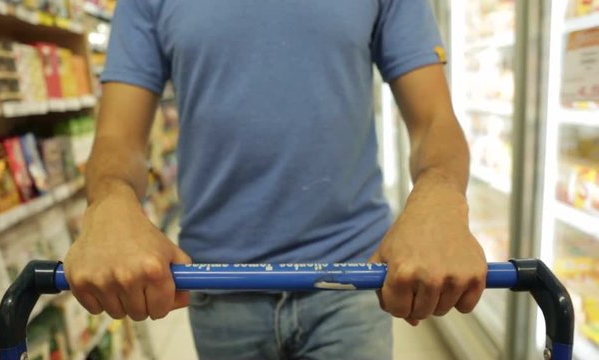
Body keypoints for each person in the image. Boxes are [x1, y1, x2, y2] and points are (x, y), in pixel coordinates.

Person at [64, 0, 487, 359]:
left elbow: (435, 120)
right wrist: (111, 204)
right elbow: (118, 136)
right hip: (217, 284)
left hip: (352, 280)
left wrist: (439, 196)